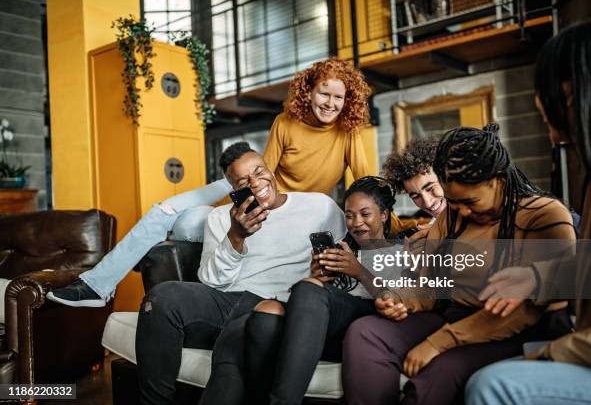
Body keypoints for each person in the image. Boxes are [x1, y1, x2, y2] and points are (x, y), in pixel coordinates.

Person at [47, 57, 374, 308]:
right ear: (309, 91)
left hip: (290, 206)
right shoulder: (284, 122)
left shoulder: (349, 132)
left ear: (348, 101)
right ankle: (96, 286)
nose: (330, 104)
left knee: (187, 221)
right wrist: (233, 212)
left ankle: (144, 246)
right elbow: (264, 174)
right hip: (256, 190)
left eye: (339, 97)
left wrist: (391, 223)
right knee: (165, 210)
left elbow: (366, 184)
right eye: (324, 93)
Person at [341, 123, 576, 405]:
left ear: (498, 180)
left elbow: (523, 310)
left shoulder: (543, 215)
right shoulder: (450, 217)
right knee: (365, 332)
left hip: (512, 329)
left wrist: (438, 342)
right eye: (454, 202)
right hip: (451, 315)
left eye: (470, 201)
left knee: (440, 372)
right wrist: (398, 298)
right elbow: (428, 285)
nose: (461, 211)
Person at [465, 20, 591, 405]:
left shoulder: (544, 211)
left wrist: (553, 352)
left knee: (493, 384)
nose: (554, 137)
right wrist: (534, 275)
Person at [135, 141, 346, 405]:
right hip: (232, 299)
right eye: (244, 181)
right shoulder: (222, 218)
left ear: (270, 169)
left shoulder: (320, 206)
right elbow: (211, 281)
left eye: (259, 172)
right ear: (235, 190)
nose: (256, 183)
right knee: (161, 298)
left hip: (285, 305)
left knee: (233, 349)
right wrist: (236, 236)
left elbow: (350, 251)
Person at [200, 176, 397, 405]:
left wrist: (358, 270)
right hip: (316, 332)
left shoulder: (398, 251)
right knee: (266, 311)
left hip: (360, 328)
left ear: (383, 215)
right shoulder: (342, 250)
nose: (356, 223)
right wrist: (319, 278)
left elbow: (401, 302)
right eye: (349, 215)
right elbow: (316, 302)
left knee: (305, 291)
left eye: (365, 214)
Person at [383, 137, 446, 239]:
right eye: (416, 196)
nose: (427, 203)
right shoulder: (432, 229)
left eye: (430, 188)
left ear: (445, 176)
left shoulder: (476, 216)